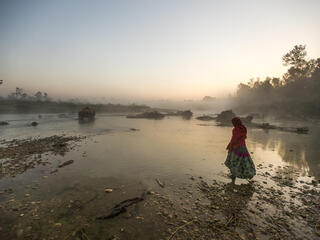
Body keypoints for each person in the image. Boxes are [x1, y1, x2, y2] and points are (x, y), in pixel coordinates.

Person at [225, 117, 256, 184]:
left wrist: (230, 146)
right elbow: (242, 137)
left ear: (235, 123)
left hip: (236, 147)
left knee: (233, 161)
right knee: (245, 161)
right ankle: (250, 174)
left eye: (233, 123)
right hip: (243, 147)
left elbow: (234, 139)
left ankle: (233, 176)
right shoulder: (244, 128)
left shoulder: (235, 129)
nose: (232, 124)